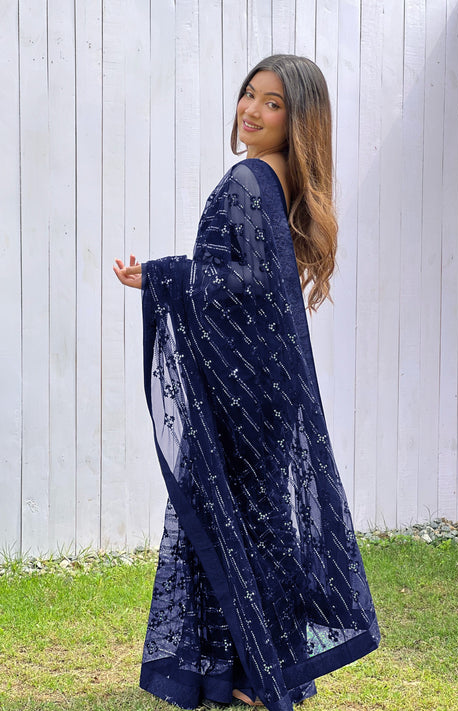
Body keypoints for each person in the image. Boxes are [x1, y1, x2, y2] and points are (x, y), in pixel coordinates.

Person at [114, 54, 380, 711]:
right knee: (262, 522)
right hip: (265, 382)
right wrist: (168, 274)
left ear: (297, 121)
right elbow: (251, 280)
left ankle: (260, 675)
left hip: (244, 387)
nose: (251, 111)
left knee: (242, 521)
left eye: (272, 103)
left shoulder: (250, 176)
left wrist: (164, 275)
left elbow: (246, 284)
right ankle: (265, 668)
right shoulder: (280, 176)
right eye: (249, 95)